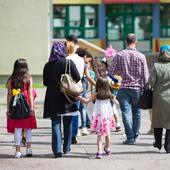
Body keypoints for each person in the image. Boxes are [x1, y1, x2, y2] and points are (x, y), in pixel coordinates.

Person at [109, 33, 149, 145]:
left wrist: (117, 81)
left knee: (125, 113)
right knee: (137, 112)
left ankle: (130, 137)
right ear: (136, 42)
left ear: (126, 42)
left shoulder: (119, 55)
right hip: (137, 89)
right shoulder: (141, 56)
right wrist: (146, 88)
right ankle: (135, 135)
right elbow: (145, 76)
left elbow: (110, 73)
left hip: (123, 88)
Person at [43, 41, 81, 158]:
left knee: (55, 124)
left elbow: (45, 83)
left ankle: (57, 151)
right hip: (67, 97)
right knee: (68, 123)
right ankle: (67, 148)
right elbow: (78, 77)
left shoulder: (48, 65)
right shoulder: (68, 63)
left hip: (52, 97)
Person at [6, 59, 37, 158]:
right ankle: (29, 149)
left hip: (15, 106)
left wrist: (8, 109)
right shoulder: (28, 78)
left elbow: (10, 94)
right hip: (26, 105)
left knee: (17, 128)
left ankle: (18, 151)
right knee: (28, 128)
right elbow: (30, 93)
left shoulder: (11, 80)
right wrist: (32, 107)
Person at [78, 78, 116, 159]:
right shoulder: (109, 93)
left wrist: (79, 97)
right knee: (107, 134)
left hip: (99, 117)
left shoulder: (95, 94)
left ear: (98, 85)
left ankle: (99, 152)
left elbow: (86, 101)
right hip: (107, 117)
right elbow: (116, 102)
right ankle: (107, 148)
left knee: (99, 135)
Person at [149, 45, 170, 153]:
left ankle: (158, 142)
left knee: (157, 121)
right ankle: (168, 146)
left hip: (158, 98)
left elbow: (151, 83)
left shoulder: (156, 66)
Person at [75, 48, 96, 136]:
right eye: (88, 59)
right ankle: (84, 127)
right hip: (83, 84)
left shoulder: (74, 62)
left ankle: (77, 128)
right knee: (83, 107)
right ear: (84, 56)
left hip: (75, 85)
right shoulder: (84, 64)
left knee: (76, 107)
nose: (88, 62)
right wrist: (96, 84)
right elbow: (88, 76)